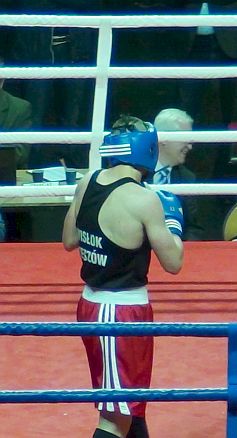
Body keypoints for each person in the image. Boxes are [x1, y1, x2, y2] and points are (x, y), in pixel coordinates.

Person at [62, 115, 184, 438]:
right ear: (148, 149)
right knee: (115, 418)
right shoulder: (144, 199)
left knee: (131, 406)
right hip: (120, 313)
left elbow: (69, 240)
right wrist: (174, 224)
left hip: (90, 304)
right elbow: (174, 262)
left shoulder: (87, 182)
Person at [153, 108, 205, 240]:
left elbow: (194, 228)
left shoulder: (187, 178)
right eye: (184, 139)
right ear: (163, 138)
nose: (190, 146)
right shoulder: (137, 172)